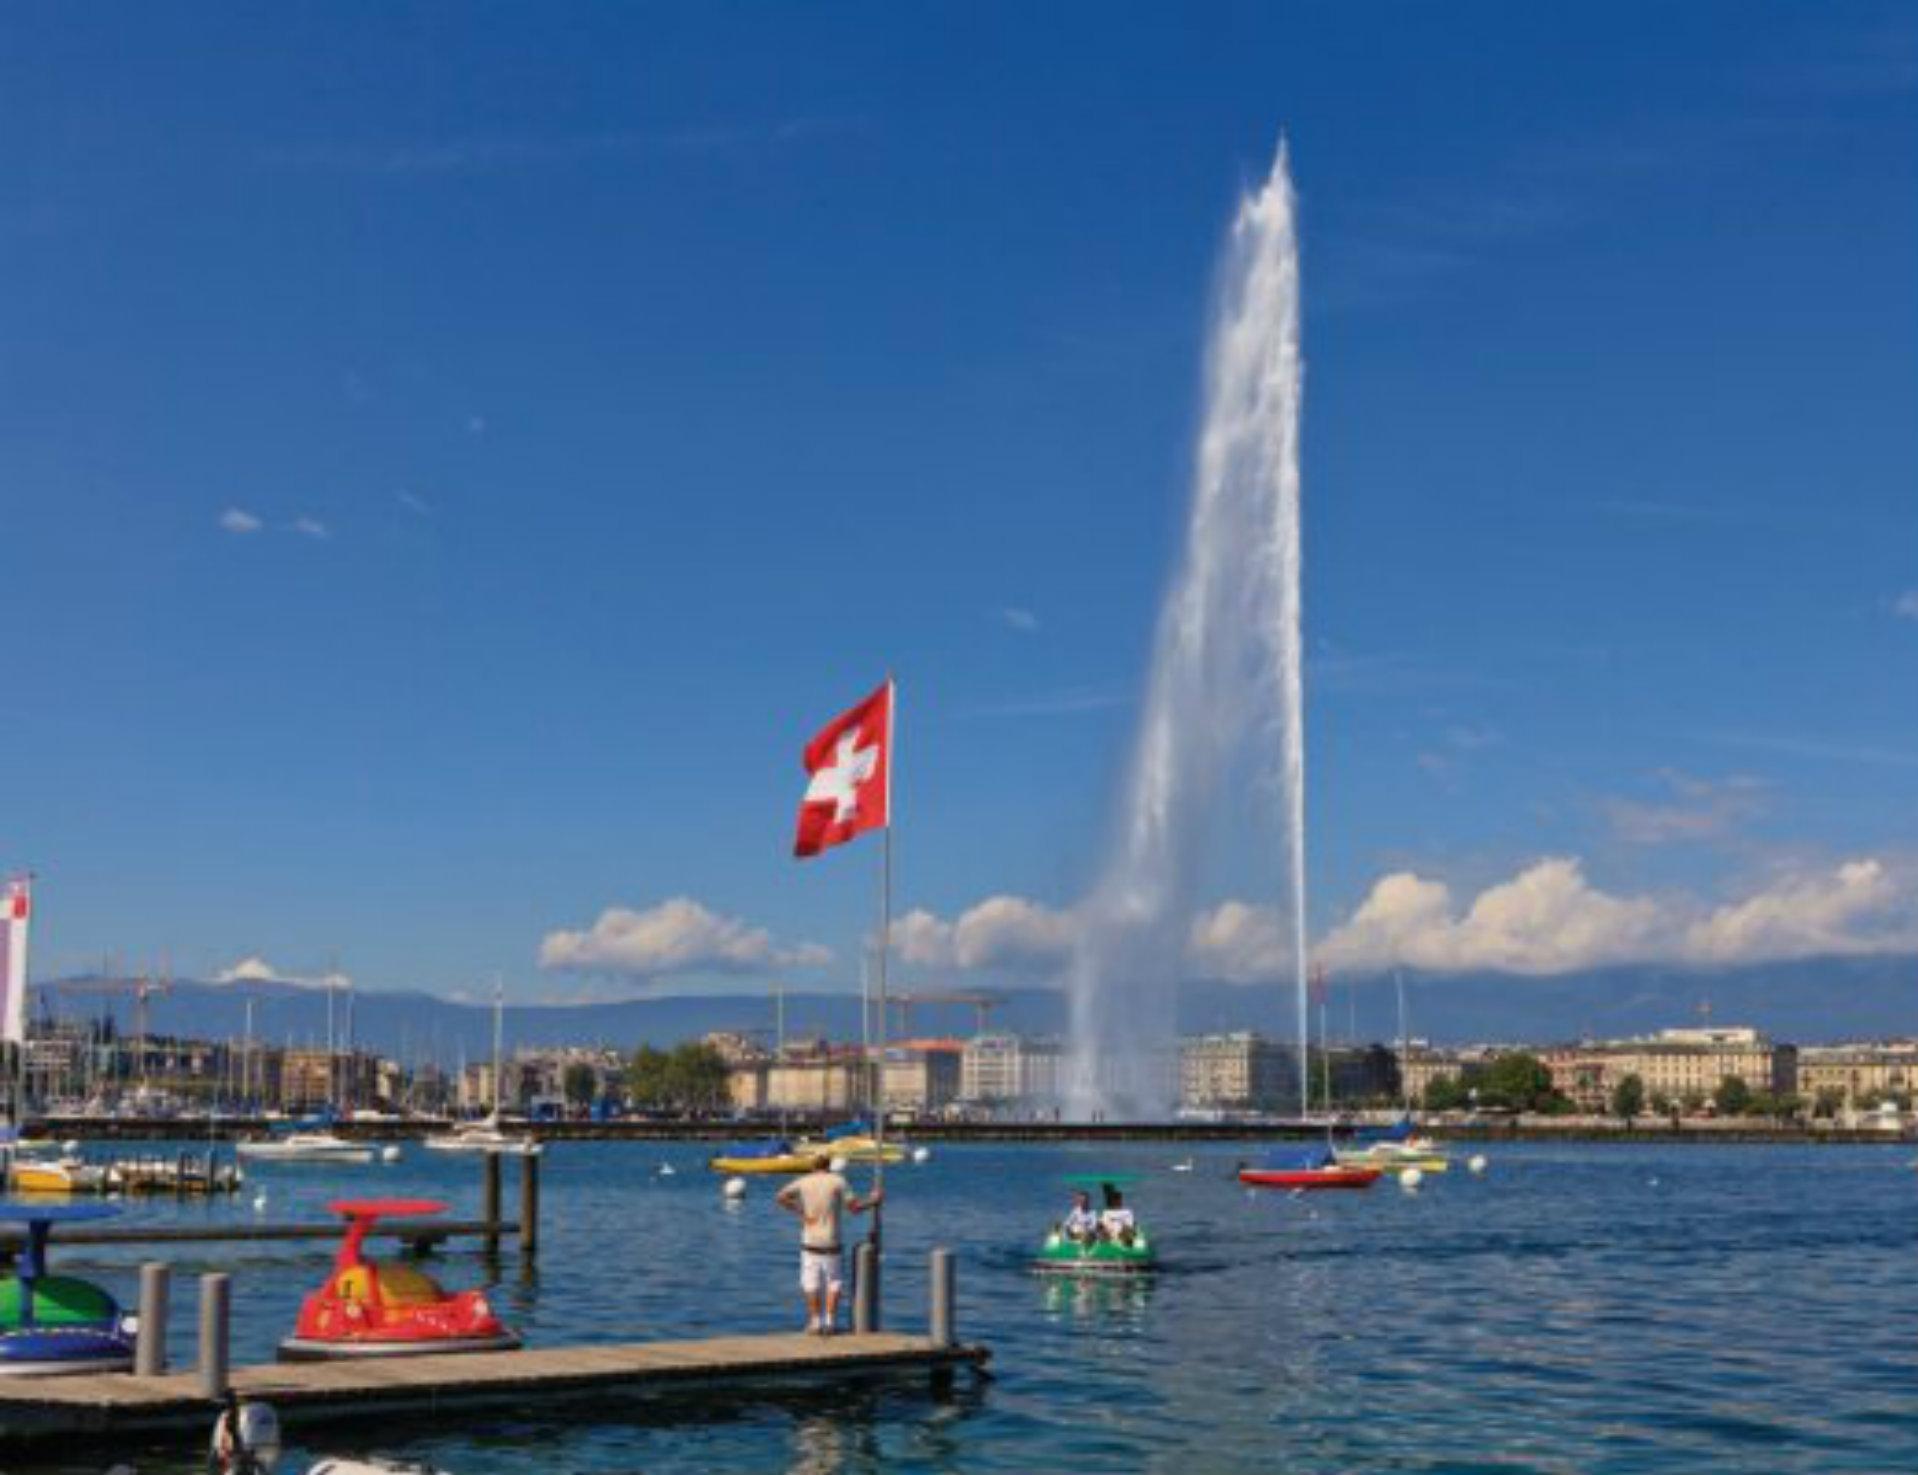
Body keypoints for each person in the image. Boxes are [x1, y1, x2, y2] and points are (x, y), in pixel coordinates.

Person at [775, 1153, 883, 1335]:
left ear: (812, 1165)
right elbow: (854, 1208)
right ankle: (830, 1321)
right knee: (834, 1280)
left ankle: (816, 1321)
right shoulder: (838, 1181)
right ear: (829, 1165)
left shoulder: (803, 1182)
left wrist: (801, 1213)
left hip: (810, 1239)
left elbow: (780, 1197)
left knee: (810, 1282)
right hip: (832, 1239)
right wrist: (873, 1200)